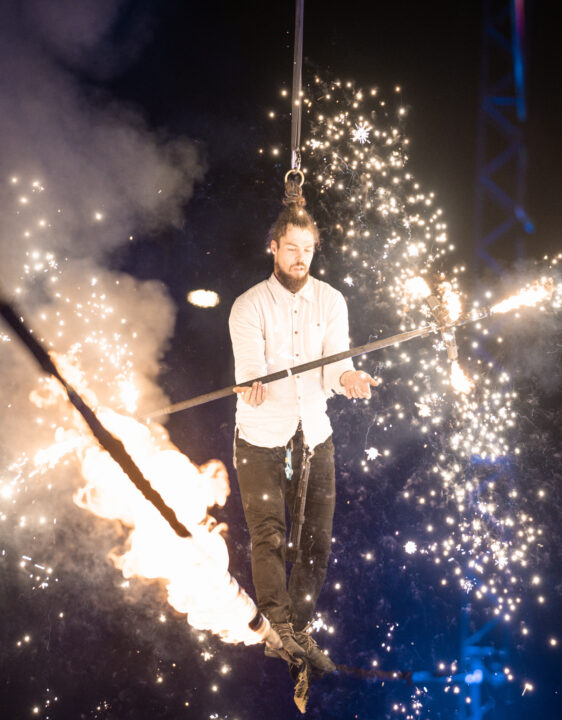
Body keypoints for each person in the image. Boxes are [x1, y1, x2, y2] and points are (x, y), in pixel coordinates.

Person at [229, 198, 378, 674]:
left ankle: (298, 630)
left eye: (307, 250)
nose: (299, 258)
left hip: (314, 435)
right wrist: (253, 388)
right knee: (268, 536)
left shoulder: (331, 301)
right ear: (273, 248)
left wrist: (348, 380)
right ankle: (276, 628)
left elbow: (337, 362)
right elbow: (251, 369)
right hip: (260, 438)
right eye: (290, 248)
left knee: (316, 541)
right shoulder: (248, 305)